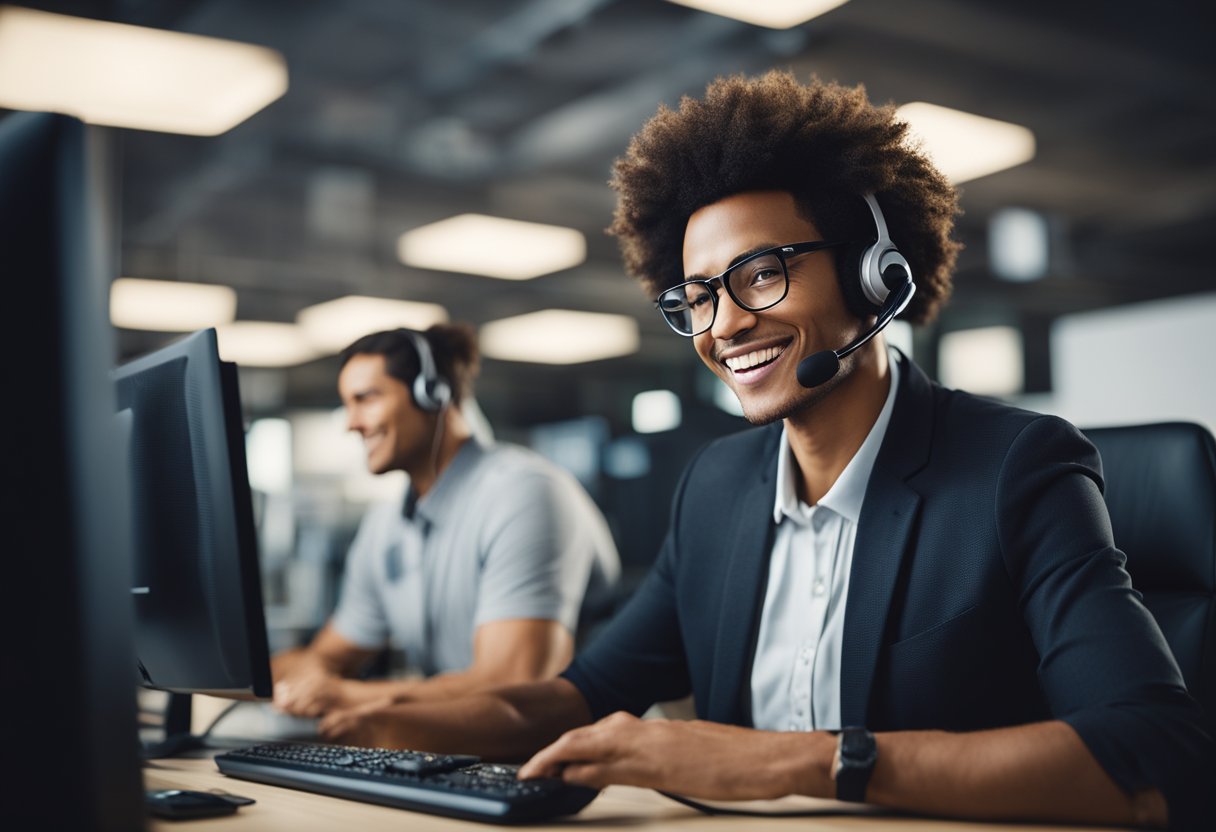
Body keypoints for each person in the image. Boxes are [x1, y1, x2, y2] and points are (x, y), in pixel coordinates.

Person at [314, 73, 1214, 828]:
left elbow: (1154, 754)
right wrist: (378, 722)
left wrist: (794, 764)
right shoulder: (718, 485)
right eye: (698, 296)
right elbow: (576, 693)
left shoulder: (1016, 467)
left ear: (874, 275)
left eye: (760, 274)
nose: (725, 325)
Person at [272, 323, 621, 718]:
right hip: (466, 753)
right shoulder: (385, 527)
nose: (350, 423)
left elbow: (515, 685)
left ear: (432, 394)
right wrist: (296, 676)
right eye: (347, 404)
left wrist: (344, 697)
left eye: (365, 399)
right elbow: (328, 658)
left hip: (588, 754)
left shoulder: (524, 493)